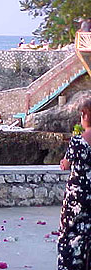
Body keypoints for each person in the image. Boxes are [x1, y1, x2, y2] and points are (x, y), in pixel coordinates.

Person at [58, 99, 91, 270]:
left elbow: (66, 164)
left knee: (70, 234)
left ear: (85, 116)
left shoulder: (77, 142)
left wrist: (64, 162)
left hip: (78, 195)